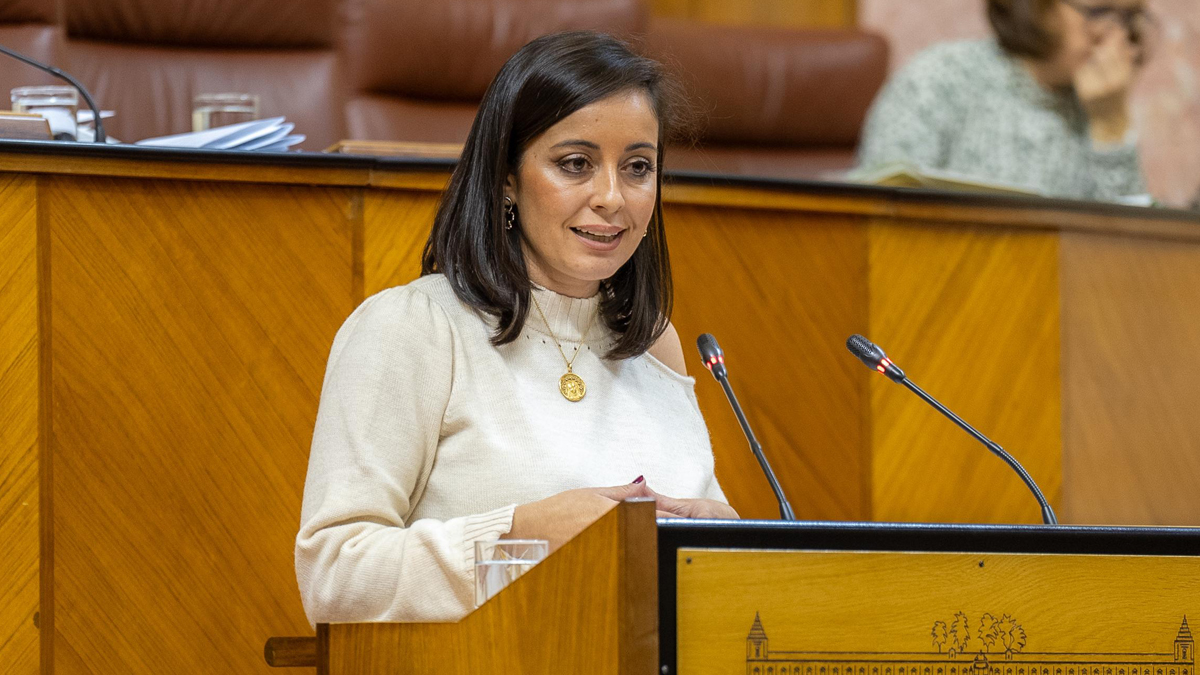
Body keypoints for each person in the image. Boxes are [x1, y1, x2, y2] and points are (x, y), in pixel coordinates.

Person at [294, 31, 738, 625]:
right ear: (507, 176)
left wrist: (728, 541)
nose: (612, 197)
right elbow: (335, 574)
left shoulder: (654, 341)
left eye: (637, 167)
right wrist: (521, 536)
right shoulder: (413, 328)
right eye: (575, 164)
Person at [855, 0, 1152, 201]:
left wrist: (1110, 125)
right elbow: (879, 215)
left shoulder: (1102, 106)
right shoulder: (939, 78)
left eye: (1127, 19)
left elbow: (1125, 256)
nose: (1114, 37)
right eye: (1098, 12)